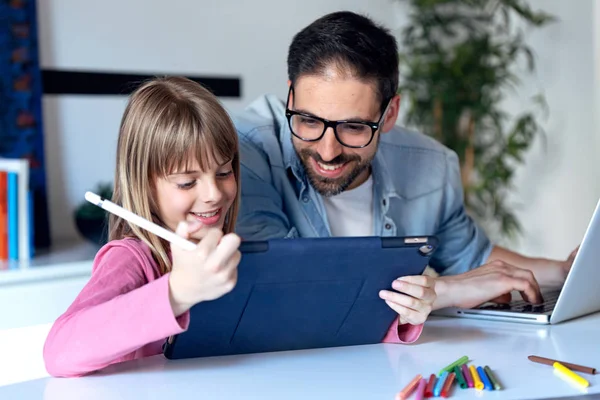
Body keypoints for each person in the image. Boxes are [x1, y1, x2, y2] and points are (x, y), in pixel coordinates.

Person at [233, 11, 576, 320]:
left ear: (390, 114)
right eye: (308, 120)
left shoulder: (431, 165)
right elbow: (282, 284)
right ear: (290, 96)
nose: (327, 150)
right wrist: (443, 291)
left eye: (353, 127)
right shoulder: (244, 149)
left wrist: (565, 272)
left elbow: (472, 258)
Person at [43, 77, 243, 377]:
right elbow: (58, 352)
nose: (213, 194)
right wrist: (177, 292)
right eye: (187, 182)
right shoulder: (131, 259)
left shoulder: (223, 252)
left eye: (224, 172)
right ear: (144, 185)